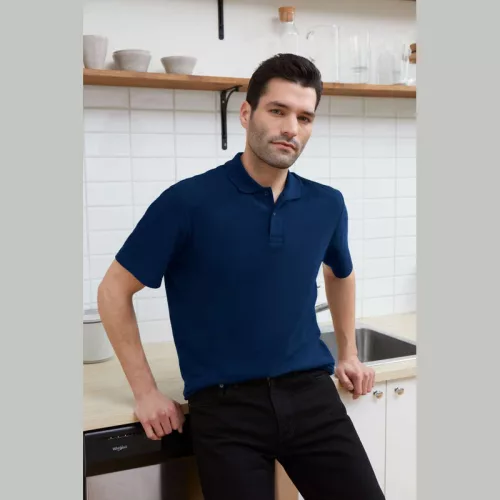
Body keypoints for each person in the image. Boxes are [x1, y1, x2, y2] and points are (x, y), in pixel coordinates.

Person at [97, 53, 385, 500]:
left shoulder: (327, 204)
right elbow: (114, 290)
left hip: (311, 397)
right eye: (278, 110)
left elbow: (340, 272)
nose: (291, 128)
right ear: (247, 113)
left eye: (304, 117)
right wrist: (146, 392)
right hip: (225, 409)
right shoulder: (187, 203)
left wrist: (348, 352)